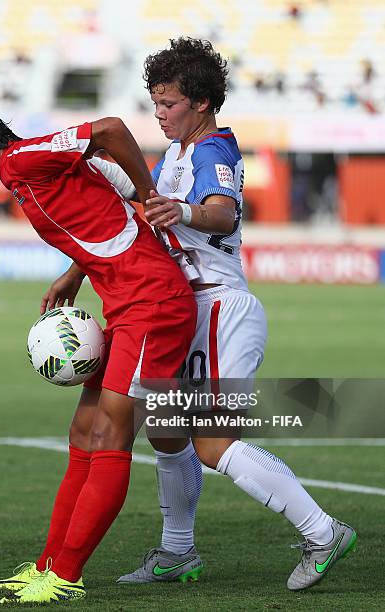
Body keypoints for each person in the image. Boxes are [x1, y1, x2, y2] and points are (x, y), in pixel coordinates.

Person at [29, 38, 356, 593]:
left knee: (211, 440)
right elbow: (132, 220)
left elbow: (223, 215)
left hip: (219, 305)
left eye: (169, 104)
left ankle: (322, 531)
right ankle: (177, 553)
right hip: (186, 308)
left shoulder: (213, 151)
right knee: (169, 435)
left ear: (201, 103)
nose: (159, 114)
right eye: (155, 103)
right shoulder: (175, 154)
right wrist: (77, 271)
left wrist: (181, 209)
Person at [0, 98, 197, 605]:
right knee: (84, 432)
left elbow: (109, 129)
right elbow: (98, 210)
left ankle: (65, 576)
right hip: (126, 307)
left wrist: (150, 193)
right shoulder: (25, 176)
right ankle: (45, 566)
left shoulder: (22, 158)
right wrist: (75, 271)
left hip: (154, 305)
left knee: (110, 434)